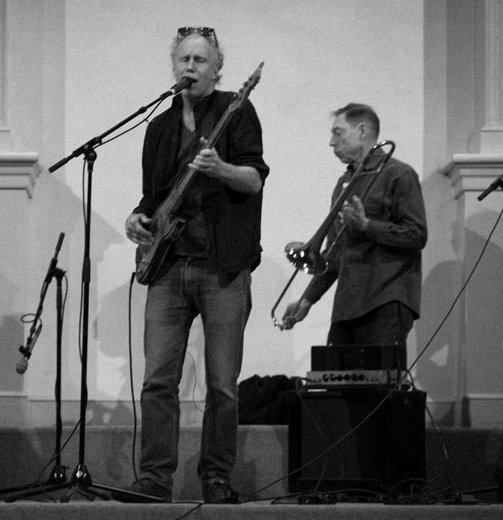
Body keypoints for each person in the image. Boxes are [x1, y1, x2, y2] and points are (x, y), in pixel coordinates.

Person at [114, 27, 268, 504]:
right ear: (173, 66)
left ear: (217, 69)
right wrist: (136, 219)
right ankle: (154, 479)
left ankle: (216, 478)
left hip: (223, 268)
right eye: (184, 59)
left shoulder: (237, 110)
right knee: (158, 380)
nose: (190, 67)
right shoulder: (158, 127)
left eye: (201, 60)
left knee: (222, 385)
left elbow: (253, 179)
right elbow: (152, 197)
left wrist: (220, 169)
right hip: (167, 266)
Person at [282, 103, 427, 357]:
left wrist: (366, 225)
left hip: (385, 299)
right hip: (347, 305)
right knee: (335, 379)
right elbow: (334, 253)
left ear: (362, 131)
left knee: (380, 380)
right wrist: (307, 300)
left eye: (338, 132)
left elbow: (417, 234)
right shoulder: (344, 182)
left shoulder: (400, 174)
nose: (331, 142)